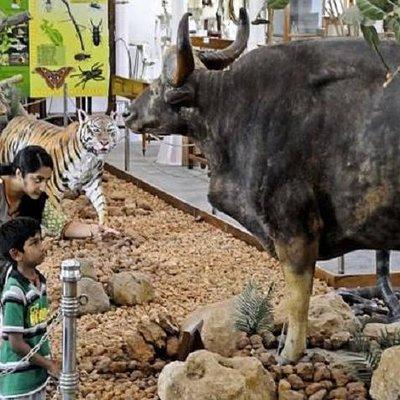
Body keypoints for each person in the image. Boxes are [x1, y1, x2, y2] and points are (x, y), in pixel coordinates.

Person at [0, 217, 60, 399]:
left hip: (34, 376)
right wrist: (48, 364)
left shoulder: (39, 281)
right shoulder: (14, 292)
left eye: (40, 240)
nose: (42, 246)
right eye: (34, 243)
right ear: (16, 254)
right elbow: (16, 344)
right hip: (17, 381)